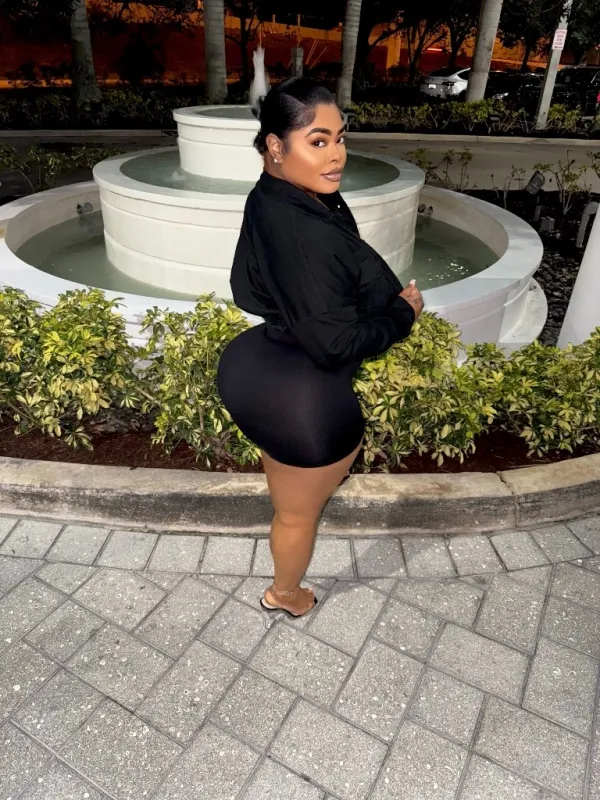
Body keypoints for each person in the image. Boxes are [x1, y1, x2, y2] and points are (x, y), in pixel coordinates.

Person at [217, 78, 423, 618]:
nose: (336, 156)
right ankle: (285, 596)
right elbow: (334, 344)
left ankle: (283, 577)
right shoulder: (305, 231)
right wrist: (402, 314)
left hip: (257, 368)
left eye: (341, 138)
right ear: (276, 146)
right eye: (318, 141)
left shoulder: (275, 192)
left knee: (287, 499)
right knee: (295, 515)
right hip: (303, 406)